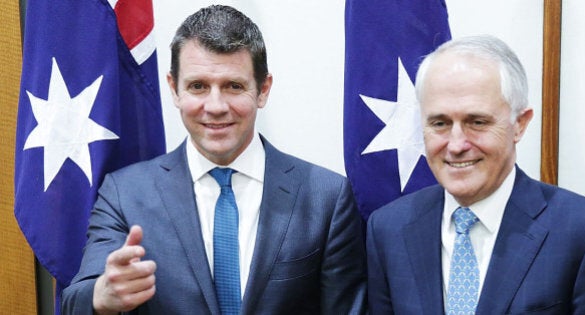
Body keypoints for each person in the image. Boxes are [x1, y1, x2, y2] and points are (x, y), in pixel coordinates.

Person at [62, 5, 366, 314]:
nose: (216, 106)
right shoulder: (124, 194)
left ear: (262, 90)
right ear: (174, 89)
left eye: (234, 86)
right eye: (198, 86)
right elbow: (75, 300)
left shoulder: (327, 198)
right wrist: (101, 295)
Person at [366, 35, 585, 314]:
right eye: (439, 123)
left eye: (477, 122)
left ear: (519, 125)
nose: (455, 145)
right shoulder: (388, 229)